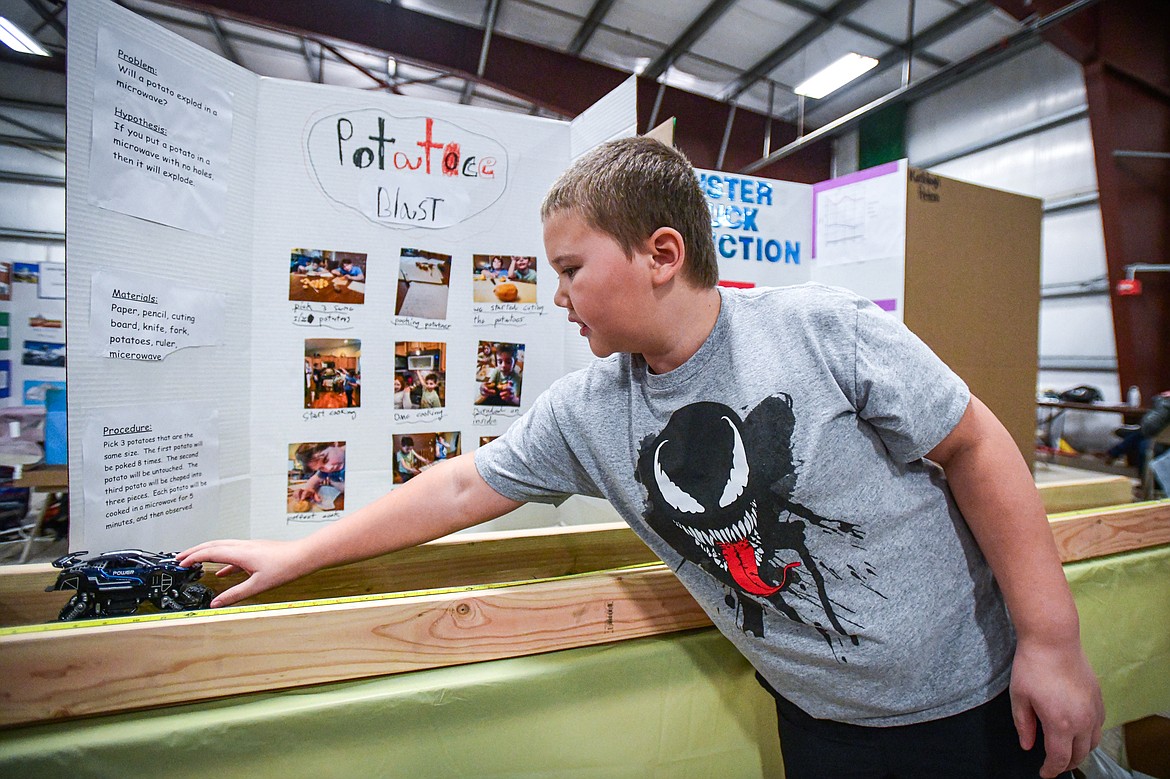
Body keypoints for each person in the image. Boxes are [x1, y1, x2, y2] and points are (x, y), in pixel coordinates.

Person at [181, 137, 1102, 779]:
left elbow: (978, 444)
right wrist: (299, 550)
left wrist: (1052, 642)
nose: (558, 295)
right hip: (824, 726)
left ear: (661, 253)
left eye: (572, 269)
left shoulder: (821, 332)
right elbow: (462, 482)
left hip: (977, 702)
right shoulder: (591, 411)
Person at [291, 442, 346, 507]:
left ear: (333, 443)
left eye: (325, 459)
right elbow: (314, 479)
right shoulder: (327, 470)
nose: (329, 468)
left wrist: (333, 482)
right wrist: (309, 489)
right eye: (321, 468)